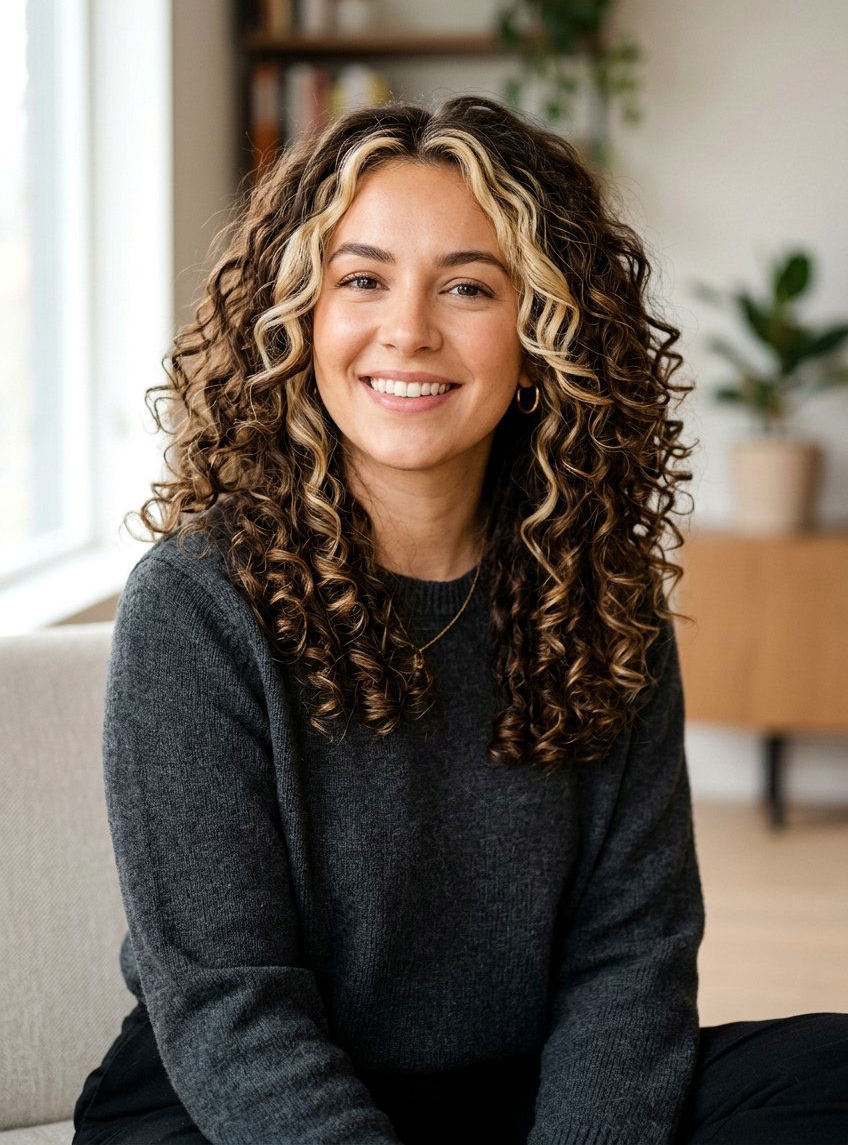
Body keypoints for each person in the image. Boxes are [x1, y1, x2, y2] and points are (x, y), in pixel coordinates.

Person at [72, 96, 848, 1144]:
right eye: (361, 279)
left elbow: (629, 958)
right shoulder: (198, 603)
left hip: (509, 1097)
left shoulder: (602, 595)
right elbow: (227, 1003)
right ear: (297, 320)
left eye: (468, 286)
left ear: (542, 335)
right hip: (240, 1104)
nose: (408, 330)